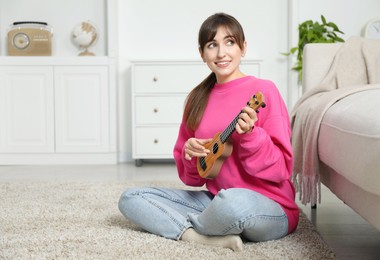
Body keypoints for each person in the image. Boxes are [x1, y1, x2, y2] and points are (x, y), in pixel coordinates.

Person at [118, 12, 299, 251]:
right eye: (212, 45)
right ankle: (198, 237)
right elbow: (192, 179)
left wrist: (251, 136)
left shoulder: (264, 90)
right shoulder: (197, 99)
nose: (221, 53)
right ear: (202, 53)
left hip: (268, 206)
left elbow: (281, 170)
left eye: (230, 42)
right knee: (131, 198)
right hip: (216, 200)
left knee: (232, 204)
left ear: (243, 48)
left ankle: (178, 224)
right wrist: (190, 154)